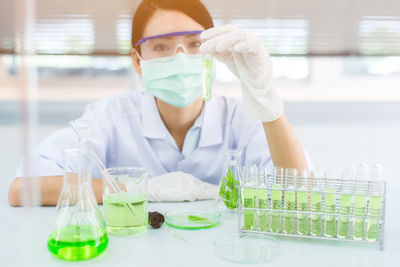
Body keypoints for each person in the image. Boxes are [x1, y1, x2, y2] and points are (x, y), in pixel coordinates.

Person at [8, 0, 308, 206]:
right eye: (161, 46)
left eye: (195, 44)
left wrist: (266, 97)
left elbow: (299, 193)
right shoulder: (110, 116)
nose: (180, 57)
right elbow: (23, 189)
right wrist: (141, 189)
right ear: (137, 61)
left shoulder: (242, 118)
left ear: (214, 51)